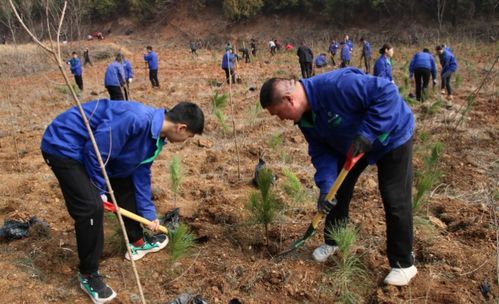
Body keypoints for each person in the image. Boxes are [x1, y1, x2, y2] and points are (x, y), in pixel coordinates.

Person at [259, 67, 417, 287]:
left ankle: (403, 264)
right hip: (355, 144)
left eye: (278, 113)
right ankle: (334, 242)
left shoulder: (337, 85)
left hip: (390, 134)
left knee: (394, 197)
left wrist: (369, 132)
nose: (282, 119)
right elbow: (321, 152)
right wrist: (325, 188)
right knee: (337, 191)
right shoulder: (306, 120)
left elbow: (387, 93)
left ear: (289, 99)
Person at [41, 100, 204, 304]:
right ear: (181, 128)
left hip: (90, 151)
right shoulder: (134, 119)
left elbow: (140, 172)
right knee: (91, 208)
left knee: (125, 181)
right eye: (188, 137)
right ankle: (88, 274)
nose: (186, 140)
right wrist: (99, 190)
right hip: (64, 146)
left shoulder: (156, 137)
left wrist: (148, 214)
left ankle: (137, 241)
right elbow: (96, 151)